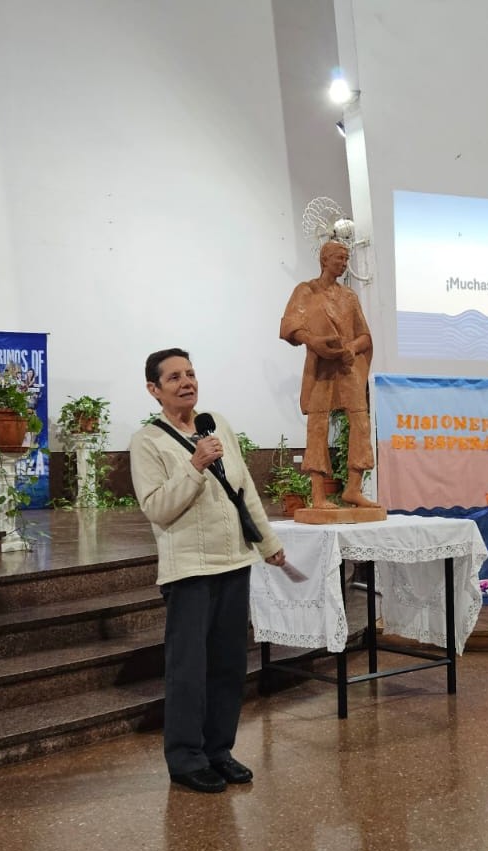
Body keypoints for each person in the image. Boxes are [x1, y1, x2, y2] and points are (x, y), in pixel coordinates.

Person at [129, 348, 286, 794]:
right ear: (154, 389)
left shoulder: (215, 424)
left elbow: (244, 489)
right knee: (189, 670)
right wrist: (195, 466)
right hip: (189, 570)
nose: (187, 382)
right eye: (174, 377)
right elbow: (157, 508)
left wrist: (268, 543)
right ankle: (186, 759)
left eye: (191, 373)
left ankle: (219, 750)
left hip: (234, 561)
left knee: (228, 666)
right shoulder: (147, 441)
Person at [279, 240, 380, 509]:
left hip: (347, 369)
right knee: (317, 426)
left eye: (346, 259)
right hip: (320, 368)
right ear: (324, 260)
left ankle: (353, 489)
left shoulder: (349, 297)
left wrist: (351, 347)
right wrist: (313, 341)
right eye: (339, 258)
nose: (344, 264)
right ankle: (318, 495)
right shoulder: (306, 291)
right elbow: (289, 326)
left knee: (360, 422)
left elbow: (365, 336)